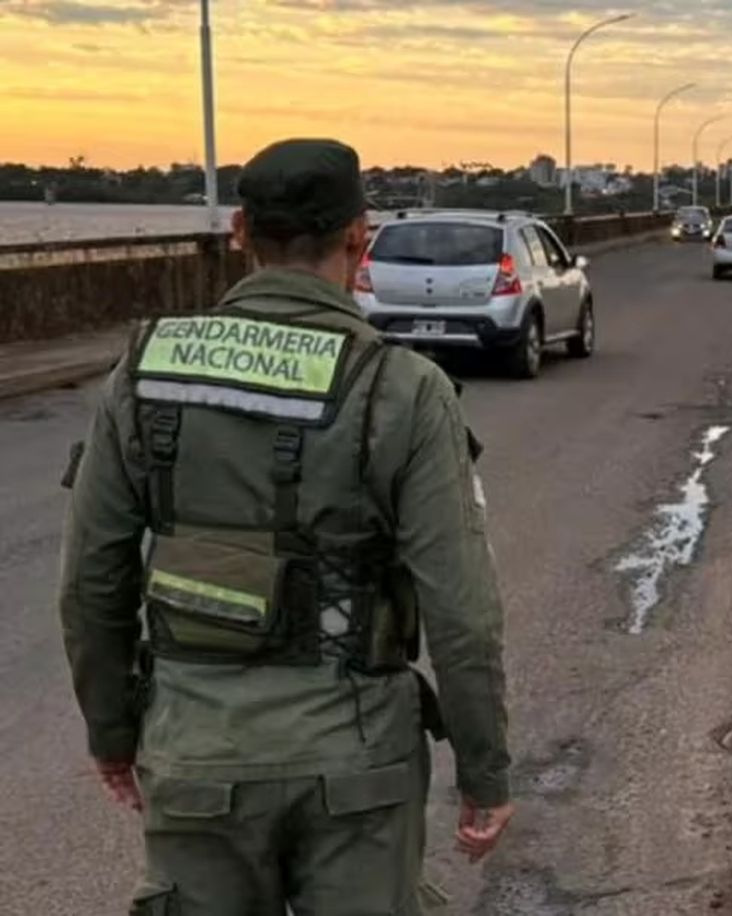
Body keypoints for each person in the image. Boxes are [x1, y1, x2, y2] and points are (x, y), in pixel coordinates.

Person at [58, 138, 514, 915]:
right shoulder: (402, 388)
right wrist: (485, 773)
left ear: (240, 230)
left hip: (195, 753)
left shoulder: (145, 371)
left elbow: (92, 579)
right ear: (358, 238)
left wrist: (112, 734)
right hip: (357, 767)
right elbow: (461, 610)